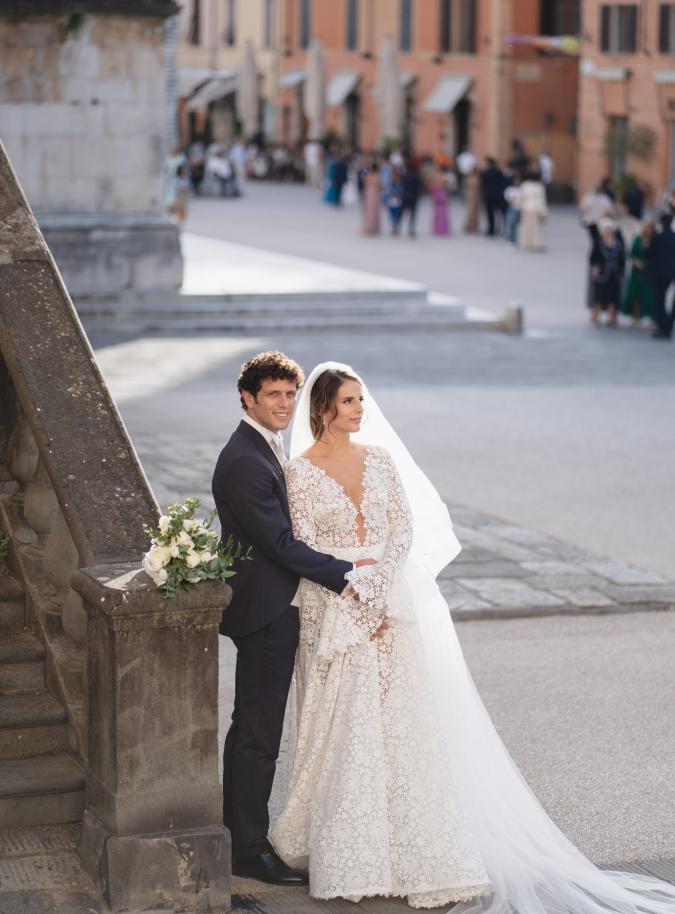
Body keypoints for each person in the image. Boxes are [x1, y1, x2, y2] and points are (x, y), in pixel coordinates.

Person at [270, 360, 675, 914]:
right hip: (337, 612)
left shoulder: (382, 461)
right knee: (349, 730)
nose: (360, 410)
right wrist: (356, 586)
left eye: (362, 400)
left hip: (390, 607)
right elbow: (306, 542)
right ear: (323, 410)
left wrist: (381, 583)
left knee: (401, 730)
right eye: (348, 402)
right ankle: (355, 854)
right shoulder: (299, 473)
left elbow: (403, 530)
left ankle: (414, 853)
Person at [212, 352, 375, 886]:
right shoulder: (243, 459)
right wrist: (347, 572)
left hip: (271, 605)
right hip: (266, 610)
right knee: (259, 733)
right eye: (272, 395)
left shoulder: (263, 448)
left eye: (289, 394)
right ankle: (250, 852)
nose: (283, 404)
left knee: (249, 729)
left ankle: (234, 834)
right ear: (248, 398)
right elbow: (279, 544)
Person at [588, 219, 625, 326]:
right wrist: (594, 268)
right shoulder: (598, 242)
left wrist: (621, 270)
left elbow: (621, 258)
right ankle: (596, 314)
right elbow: (592, 257)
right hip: (602, 273)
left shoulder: (617, 243)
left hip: (614, 274)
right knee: (599, 295)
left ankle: (611, 316)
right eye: (606, 230)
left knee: (613, 296)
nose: (608, 233)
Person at [644, 212, 675, 339]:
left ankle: (664, 327)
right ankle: (666, 326)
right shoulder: (673, 236)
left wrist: (646, 243)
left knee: (659, 301)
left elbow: (648, 253)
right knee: (663, 301)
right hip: (670, 273)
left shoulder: (657, 237)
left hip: (658, 274)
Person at [620, 220, 656, 324]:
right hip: (637, 271)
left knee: (649, 294)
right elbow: (631, 254)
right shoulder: (637, 239)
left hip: (649, 271)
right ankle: (636, 315)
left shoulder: (654, 239)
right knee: (635, 293)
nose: (648, 230)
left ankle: (650, 315)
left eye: (650, 228)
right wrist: (637, 262)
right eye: (646, 227)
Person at [518, 171, 548, 251]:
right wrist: (545, 212)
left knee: (527, 227)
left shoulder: (525, 185)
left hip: (527, 208)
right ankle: (536, 243)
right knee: (537, 228)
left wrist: (519, 206)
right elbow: (542, 199)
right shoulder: (540, 187)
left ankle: (527, 243)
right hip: (537, 208)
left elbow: (521, 197)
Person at [481, 157, 505, 236]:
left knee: (490, 213)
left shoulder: (486, 172)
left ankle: (491, 229)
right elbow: (502, 183)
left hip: (488, 195)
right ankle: (500, 228)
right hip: (498, 194)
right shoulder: (499, 172)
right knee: (499, 212)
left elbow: (483, 184)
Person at [401, 157, 422, 237]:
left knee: (401, 213)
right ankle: (411, 228)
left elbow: (401, 185)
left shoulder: (404, 175)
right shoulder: (416, 176)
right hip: (413, 197)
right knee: (412, 214)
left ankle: (397, 227)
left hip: (405, 195)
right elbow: (419, 187)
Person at [361, 161, 382, 236]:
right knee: (374, 211)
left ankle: (368, 226)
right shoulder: (377, 175)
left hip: (368, 192)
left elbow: (364, 180)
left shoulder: (368, 175)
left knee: (368, 210)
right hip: (374, 193)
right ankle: (373, 227)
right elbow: (380, 185)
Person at [430, 169, 451, 236]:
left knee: (444, 216)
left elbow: (447, 189)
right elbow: (433, 192)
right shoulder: (435, 184)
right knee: (438, 216)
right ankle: (437, 229)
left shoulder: (444, 182)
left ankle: (443, 229)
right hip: (438, 202)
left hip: (443, 202)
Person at [386, 165, 404, 235]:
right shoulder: (390, 179)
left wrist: (398, 194)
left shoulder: (399, 180)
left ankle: (396, 225)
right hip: (391, 198)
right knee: (392, 213)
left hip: (397, 198)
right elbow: (388, 189)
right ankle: (394, 225)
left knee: (397, 212)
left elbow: (401, 189)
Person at [503, 178, 522, 245]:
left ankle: (515, 239)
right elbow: (507, 197)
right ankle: (510, 239)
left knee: (516, 225)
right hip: (511, 207)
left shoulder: (521, 189)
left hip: (519, 208)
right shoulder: (510, 189)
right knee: (510, 223)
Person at [463, 165, 481, 233]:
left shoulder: (477, 177)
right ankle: (468, 226)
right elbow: (470, 185)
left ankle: (475, 227)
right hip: (471, 194)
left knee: (476, 212)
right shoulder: (469, 177)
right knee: (471, 211)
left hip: (476, 194)